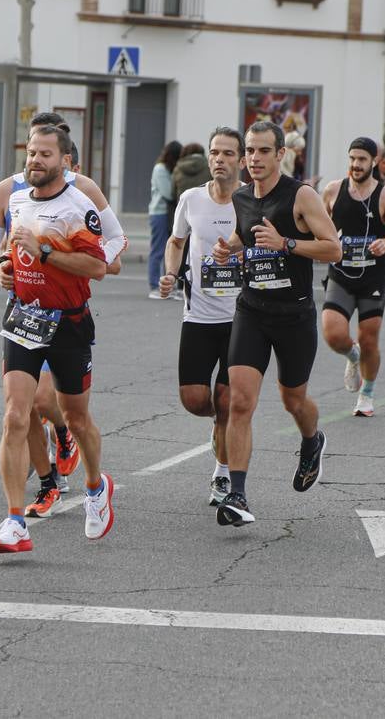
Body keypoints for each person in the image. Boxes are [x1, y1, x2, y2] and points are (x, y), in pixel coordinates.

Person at [0, 113, 124, 517]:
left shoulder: (83, 193)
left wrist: (63, 257)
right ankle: (24, 508)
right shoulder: (11, 193)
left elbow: (111, 250)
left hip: (68, 318)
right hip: (24, 315)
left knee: (63, 409)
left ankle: (87, 473)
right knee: (18, 411)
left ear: (65, 157)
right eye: (32, 150)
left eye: (45, 152)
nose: (35, 159)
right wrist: (3, 267)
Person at [208, 120, 341, 527]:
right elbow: (245, 235)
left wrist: (286, 243)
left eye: (263, 151)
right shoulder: (241, 196)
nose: (254, 158)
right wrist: (229, 248)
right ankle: (237, 494)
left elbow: (333, 248)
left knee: (293, 400)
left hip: (294, 316)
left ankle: (312, 440)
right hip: (252, 311)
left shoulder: (301, 195)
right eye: (250, 150)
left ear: (281, 154)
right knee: (239, 402)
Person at [158, 127, 243, 505]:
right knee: (194, 399)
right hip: (199, 315)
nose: (219, 159)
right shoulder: (191, 199)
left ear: (241, 160)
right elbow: (176, 241)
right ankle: (218, 422)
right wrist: (170, 273)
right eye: (214, 153)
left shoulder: (250, 200)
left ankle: (222, 473)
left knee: (227, 401)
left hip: (242, 318)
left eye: (228, 153)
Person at [319, 136, 385, 418]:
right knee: (333, 334)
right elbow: (319, 227)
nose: (356, 164)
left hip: (372, 277)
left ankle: (366, 393)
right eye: (352, 158)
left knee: (368, 339)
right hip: (341, 274)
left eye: (362, 159)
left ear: (374, 162)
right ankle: (352, 356)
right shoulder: (333, 190)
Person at [148, 141, 182, 298]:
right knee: (158, 250)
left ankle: (166, 286)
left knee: (168, 249)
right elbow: (168, 192)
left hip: (167, 213)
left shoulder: (167, 168)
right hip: (159, 212)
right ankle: (155, 286)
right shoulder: (160, 169)